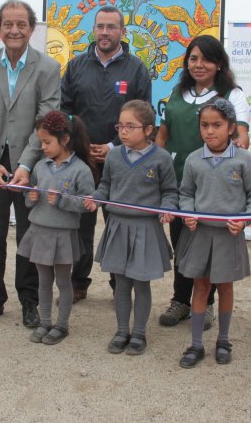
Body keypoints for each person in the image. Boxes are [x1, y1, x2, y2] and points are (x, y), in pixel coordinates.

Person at [0, 0, 61, 329]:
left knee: (27, 234)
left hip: (29, 168)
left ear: (32, 29)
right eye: (8, 23)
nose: (14, 30)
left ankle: (29, 300)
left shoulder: (48, 68)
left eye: (21, 24)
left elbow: (46, 120)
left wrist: (25, 164)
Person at [156, 35, 250, 331]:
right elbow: (162, 135)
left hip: (213, 184)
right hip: (179, 179)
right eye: (193, 58)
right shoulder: (176, 92)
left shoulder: (232, 95)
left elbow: (241, 137)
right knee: (182, 242)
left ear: (219, 63)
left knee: (209, 246)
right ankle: (181, 300)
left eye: (206, 59)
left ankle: (207, 304)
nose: (199, 65)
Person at [61, 5, 152, 301]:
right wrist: (82, 145)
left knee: (120, 226)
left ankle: (119, 286)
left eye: (111, 27)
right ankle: (77, 283)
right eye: (100, 26)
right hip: (82, 160)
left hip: (123, 160)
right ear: (94, 29)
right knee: (80, 225)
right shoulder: (75, 66)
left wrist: (113, 145)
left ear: (123, 32)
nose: (104, 32)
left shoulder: (137, 68)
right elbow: (66, 111)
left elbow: (144, 114)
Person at [175, 99, 251, 368]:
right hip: (200, 234)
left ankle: (224, 340)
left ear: (230, 128)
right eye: (204, 125)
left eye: (217, 125)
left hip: (229, 235)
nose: (210, 131)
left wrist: (244, 220)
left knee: (225, 286)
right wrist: (188, 213)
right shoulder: (193, 160)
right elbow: (186, 194)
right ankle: (196, 344)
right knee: (200, 286)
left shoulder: (244, 159)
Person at [83, 100, 177, 355]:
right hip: (118, 226)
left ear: (148, 130)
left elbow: (170, 191)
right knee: (121, 283)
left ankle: (139, 333)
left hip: (146, 229)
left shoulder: (162, 158)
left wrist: (168, 208)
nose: (123, 131)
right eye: (120, 125)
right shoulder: (114, 155)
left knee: (141, 283)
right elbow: (106, 186)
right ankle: (122, 330)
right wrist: (95, 197)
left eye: (130, 126)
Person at [18, 111, 96, 345]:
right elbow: (28, 199)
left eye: (47, 142)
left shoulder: (81, 170)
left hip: (63, 234)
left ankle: (61, 325)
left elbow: (87, 203)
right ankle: (45, 322)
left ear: (65, 140)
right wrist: (30, 196)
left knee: (63, 282)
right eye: (41, 142)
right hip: (40, 231)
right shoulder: (40, 167)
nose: (43, 147)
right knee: (43, 281)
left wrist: (63, 200)